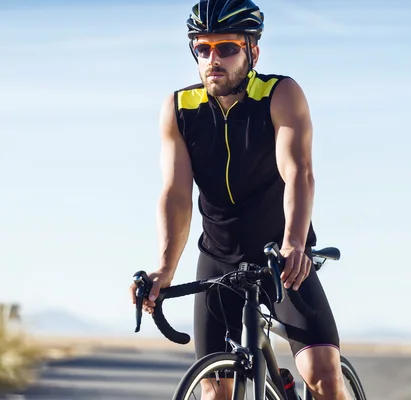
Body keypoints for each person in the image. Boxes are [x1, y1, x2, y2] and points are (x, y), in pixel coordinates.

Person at [129, 0, 352, 399]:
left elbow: (298, 171)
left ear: (252, 51)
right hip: (218, 257)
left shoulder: (279, 94)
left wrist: (295, 243)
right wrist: (164, 269)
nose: (213, 59)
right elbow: (177, 194)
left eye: (227, 48)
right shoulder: (180, 108)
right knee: (215, 391)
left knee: (322, 375)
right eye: (203, 48)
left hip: (281, 257)